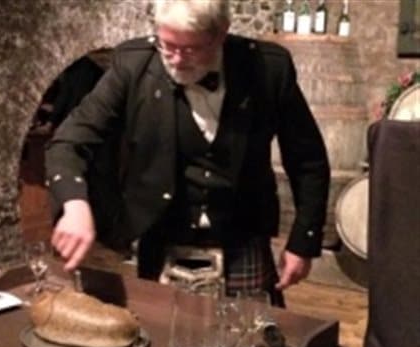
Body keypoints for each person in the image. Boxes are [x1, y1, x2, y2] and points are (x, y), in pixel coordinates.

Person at [45, 0, 330, 305]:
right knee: (164, 340)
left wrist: (303, 240)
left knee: (255, 344)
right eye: (167, 45)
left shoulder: (269, 69)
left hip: (243, 235)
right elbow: (70, 141)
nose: (176, 61)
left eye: (190, 49)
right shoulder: (134, 65)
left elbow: (307, 160)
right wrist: (75, 205)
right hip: (162, 233)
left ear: (221, 34)